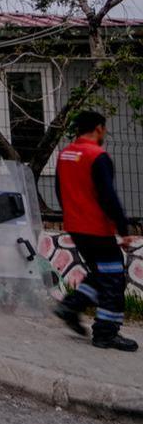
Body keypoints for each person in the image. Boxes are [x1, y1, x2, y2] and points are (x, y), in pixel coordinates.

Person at [52, 111, 138, 351]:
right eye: (105, 129)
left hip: (76, 227)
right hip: (97, 229)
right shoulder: (97, 156)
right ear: (99, 128)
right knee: (112, 280)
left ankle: (71, 305)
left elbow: (60, 191)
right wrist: (123, 229)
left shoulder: (65, 154)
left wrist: (72, 213)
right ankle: (106, 333)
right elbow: (108, 196)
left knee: (101, 274)